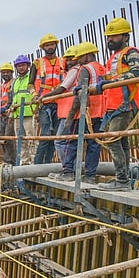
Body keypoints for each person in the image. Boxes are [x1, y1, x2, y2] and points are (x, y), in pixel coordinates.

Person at [44, 42, 106, 183]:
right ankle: (90, 176)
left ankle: (68, 172)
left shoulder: (85, 69)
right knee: (94, 144)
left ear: (88, 55)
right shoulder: (102, 68)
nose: (77, 60)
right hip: (101, 111)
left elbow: (80, 93)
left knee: (70, 141)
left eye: (80, 57)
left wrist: (71, 116)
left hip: (85, 112)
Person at [96, 18, 139, 192]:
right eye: (108, 36)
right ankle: (123, 178)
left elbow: (136, 73)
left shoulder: (130, 52)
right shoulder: (114, 57)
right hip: (114, 106)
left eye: (114, 36)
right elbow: (113, 78)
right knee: (121, 141)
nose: (110, 39)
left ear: (125, 36)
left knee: (112, 140)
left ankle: (122, 180)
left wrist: (111, 82)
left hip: (125, 104)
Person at [32, 34, 65, 164]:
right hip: (44, 103)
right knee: (46, 134)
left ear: (56, 45)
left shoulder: (63, 61)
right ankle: (38, 164)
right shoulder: (37, 63)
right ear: (43, 47)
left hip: (59, 101)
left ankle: (48, 164)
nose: (50, 47)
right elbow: (31, 83)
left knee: (55, 135)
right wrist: (35, 95)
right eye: (47, 45)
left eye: (52, 44)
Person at [9, 54, 37, 164]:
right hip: (17, 114)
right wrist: (11, 113)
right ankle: (24, 161)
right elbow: (14, 97)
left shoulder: (31, 78)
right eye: (19, 66)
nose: (21, 67)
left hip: (29, 112)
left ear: (28, 66)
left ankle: (34, 161)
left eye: (23, 65)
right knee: (20, 140)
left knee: (32, 139)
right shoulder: (15, 81)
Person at [0, 62, 15, 163]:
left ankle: (11, 161)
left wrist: (5, 108)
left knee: (8, 139)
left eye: (7, 72)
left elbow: (12, 99)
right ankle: (6, 159)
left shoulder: (14, 83)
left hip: (10, 115)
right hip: (1, 116)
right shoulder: (2, 86)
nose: (5, 74)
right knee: (2, 139)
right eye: (3, 72)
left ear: (11, 72)